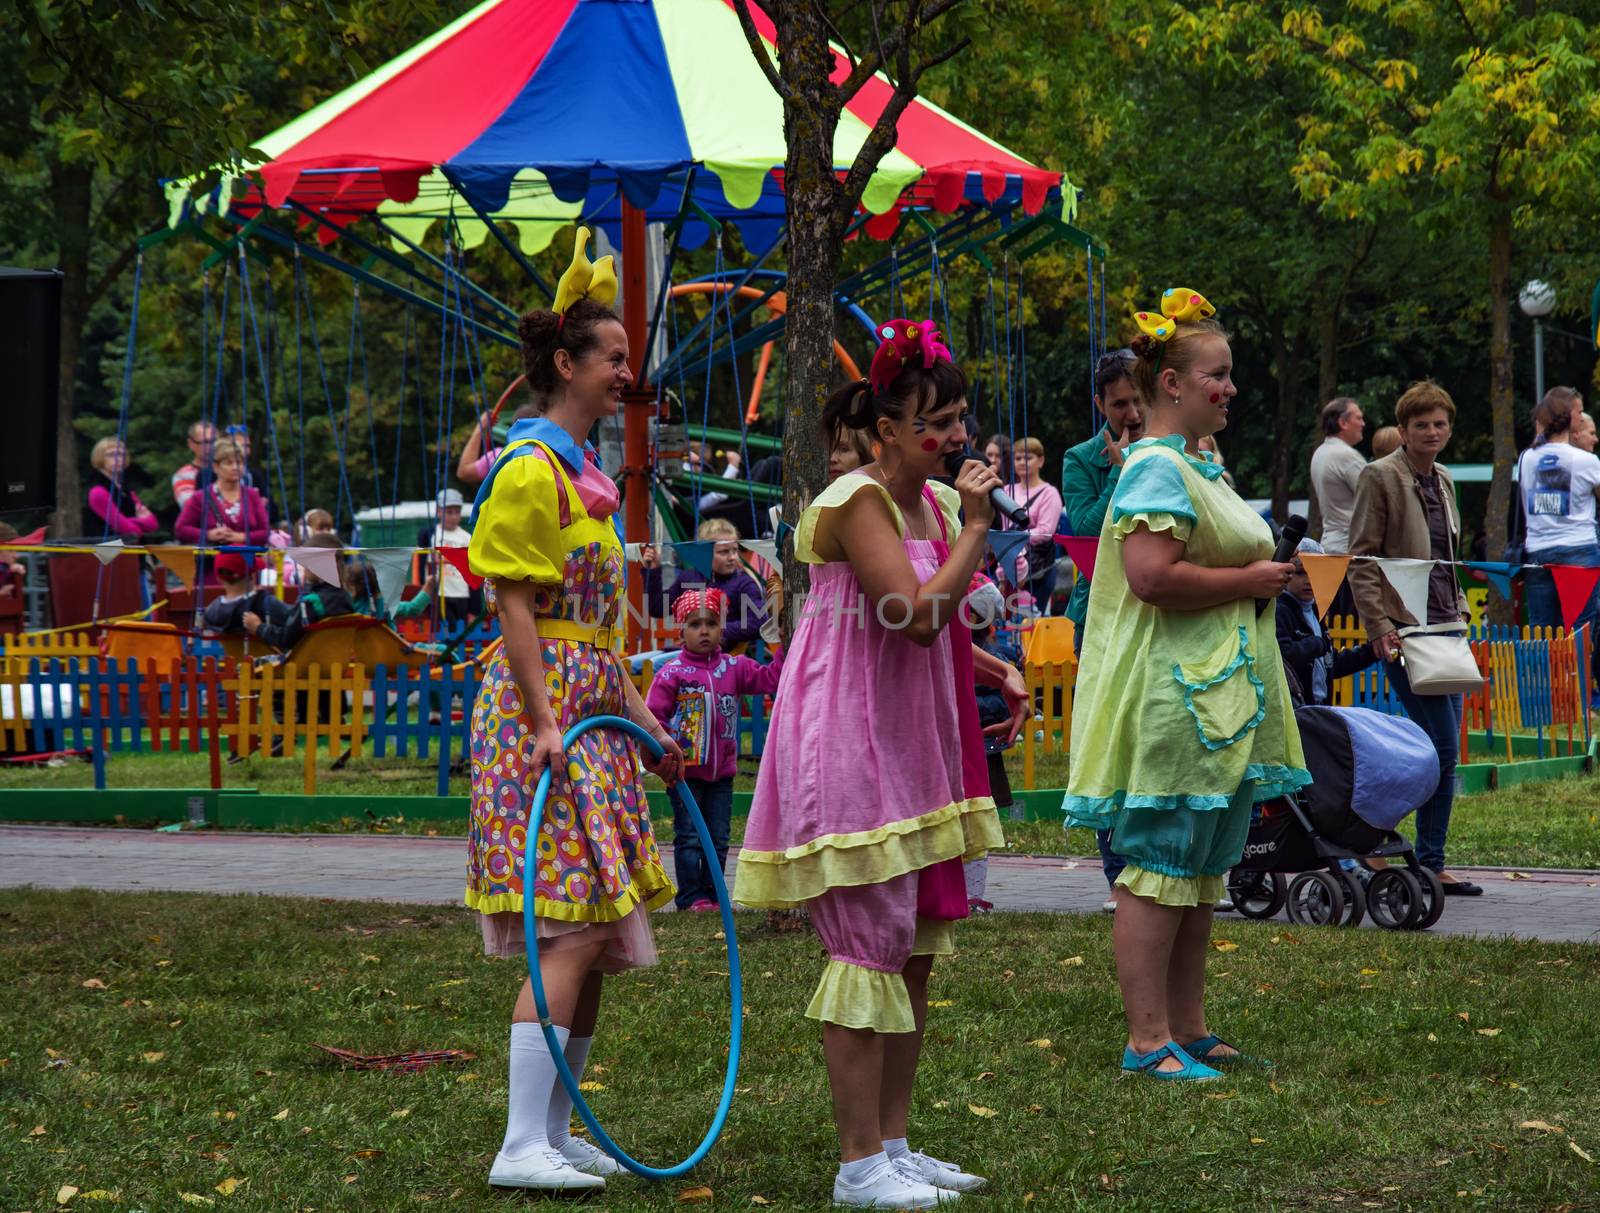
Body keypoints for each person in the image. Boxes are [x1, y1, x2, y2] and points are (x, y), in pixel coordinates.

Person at [734, 317, 1027, 1208]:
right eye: (935, 422)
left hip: (915, 735)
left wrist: (996, 667)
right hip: (850, 735)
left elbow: (938, 630)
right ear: (887, 431)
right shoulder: (855, 500)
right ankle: (857, 1163)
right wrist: (980, 529)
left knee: (914, 943)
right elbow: (907, 612)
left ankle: (895, 1142)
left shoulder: (931, 503)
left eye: (962, 418)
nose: (956, 437)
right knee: (868, 946)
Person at [464, 229, 683, 1193]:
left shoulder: (586, 483)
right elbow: (514, 602)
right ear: (567, 365)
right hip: (539, 718)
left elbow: (599, 630)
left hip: (592, 714)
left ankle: (556, 1130)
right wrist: (547, 717)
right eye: (616, 360)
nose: (627, 376)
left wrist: (644, 721)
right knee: (571, 928)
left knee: (592, 928)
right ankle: (519, 1142)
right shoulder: (526, 472)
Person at [1064, 289, 1306, 1082]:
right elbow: (1150, 577)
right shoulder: (1155, 468)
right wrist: (1251, 577)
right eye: (1218, 374)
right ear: (1171, 383)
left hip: (1217, 694)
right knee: (1160, 862)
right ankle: (1146, 1041)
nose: (1229, 388)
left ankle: (1189, 1029)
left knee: (1201, 869)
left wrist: (1262, 578)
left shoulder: (1199, 465)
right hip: (1176, 698)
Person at [1348, 380, 1481, 896]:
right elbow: (1362, 558)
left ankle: (1429, 860)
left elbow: (1450, 556)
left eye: (1440, 423)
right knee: (1441, 749)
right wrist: (1379, 627)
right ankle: (1373, 837)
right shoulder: (1379, 476)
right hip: (1405, 632)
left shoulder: (1444, 478)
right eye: (1421, 423)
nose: (1432, 431)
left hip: (1448, 626)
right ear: (1402, 430)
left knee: (1442, 752)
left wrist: (1465, 609)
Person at [1059, 348, 1146, 910]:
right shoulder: (1081, 458)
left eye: (1139, 400)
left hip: (1156, 608)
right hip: (1101, 613)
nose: (1132, 413)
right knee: (1109, 741)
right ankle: (1118, 874)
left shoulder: (1178, 447)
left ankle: (1158, 865)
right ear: (1101, 404)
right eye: (1120, 404)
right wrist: (1121, 471)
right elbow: (1087, 528)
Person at [645, 588, 785, 912]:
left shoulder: (735, 668)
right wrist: (666, 753)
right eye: (695, 624)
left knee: (719, 838)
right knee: (690, 836)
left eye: (711, 623)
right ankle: (692, 896)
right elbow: (655, 718)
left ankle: (714, 893)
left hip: (722, 774)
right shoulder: (672, 674)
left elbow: (770, 679)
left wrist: (781, 646)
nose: (704, 630)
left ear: (722, 627)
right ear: (681, 630)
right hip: (684, 775)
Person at [1515, 393, 1600, 683]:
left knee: (1542, 628)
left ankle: (1544, 697)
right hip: (1579, 550)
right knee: (1580, 628)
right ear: (1571, 421)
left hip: (1538, 551)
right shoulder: (1587, 461)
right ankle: (1580, 697)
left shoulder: (1526, 458)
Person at [1275, 538, 1378, 705]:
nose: (1309, 580)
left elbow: (1329, 663)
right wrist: (1316, 644)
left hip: (1318, 706)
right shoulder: (1280, 610)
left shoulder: (1316, 611)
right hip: (1294, 710)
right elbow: (1282, 657)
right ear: (1286, 573)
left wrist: (1371, 652)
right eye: (1301, 572)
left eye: (1315, 573)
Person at [640, 518, 767, 647]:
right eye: (724, 552)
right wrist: (653, 571)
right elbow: (657, 608)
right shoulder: (688, 578)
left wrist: (714, 630)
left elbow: (759, 623)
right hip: (687, 653)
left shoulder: (744, 583)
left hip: (722, 656)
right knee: (636, 663)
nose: (732, 557)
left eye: (734, 550)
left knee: (644, 665)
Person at [174, 439, 271, 581]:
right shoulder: (200, 497)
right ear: (215, 466)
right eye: (229, 463)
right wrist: (209, 534)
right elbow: (180, 529)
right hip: (211, 574)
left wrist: (241, 537)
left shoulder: (252, 495)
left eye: (239, 463)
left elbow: (265, 531)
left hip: (247, 573)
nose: (235, 467)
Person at [245, 533, 353, 648]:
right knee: (268, 601)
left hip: (305, 660)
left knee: (265, 602)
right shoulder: (345, 596)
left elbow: (285, 638)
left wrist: (259, 628)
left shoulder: (311, 602)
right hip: (333, 656)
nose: (304, 567)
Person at [1005, 437, 1064, 613]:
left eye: (1028, 457)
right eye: (1018, 458)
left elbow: (1046, 532)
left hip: (1038, 572)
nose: (1022, 462)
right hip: (1008, 568)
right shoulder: (1006, 490)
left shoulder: (1049, 493)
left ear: (1041, 461)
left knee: (1031, 625)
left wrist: (1014, 538)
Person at [1309, 398, 1367, 554]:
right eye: (1359, 418)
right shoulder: (1345, 455)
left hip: (1331, 543)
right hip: (1351, 547)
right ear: (1343, 422)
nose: (1363, 424)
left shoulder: (1320, 452)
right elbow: (1376, 498)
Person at [201, 553, 293, 635]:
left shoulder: (211, 610)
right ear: (252, 575)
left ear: (219, 579)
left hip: (225, 654)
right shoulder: (267, 603)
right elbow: (295, 625)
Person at [86, 437, 159, 539]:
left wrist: (127, 521)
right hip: (107, 551)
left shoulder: (126, 490)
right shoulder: (98, 491)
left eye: (121, 454)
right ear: (100, 457)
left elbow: (153, 524)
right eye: (111, 455)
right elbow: (131, 531)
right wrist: (137, 521)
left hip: (129, 549)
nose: (118, 458)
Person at [458, 404, 540, 487]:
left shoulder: (499, 456)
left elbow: (463, 472)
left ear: (513, 427)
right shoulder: (549, 456)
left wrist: (480, 428)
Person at [433, 488, 473, 626]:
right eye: (449, 512)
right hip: (440, 591)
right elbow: (428, 565)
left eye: (457, 512)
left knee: (460, 628)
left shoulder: (466, 537)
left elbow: (471, 568)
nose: (453, 516)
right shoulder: (433, 535)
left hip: (461, 591)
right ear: (438, 511)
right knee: (443, 628)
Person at [170, 420, 216, 510]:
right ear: (191, 444)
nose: (210, 446)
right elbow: (191, 507)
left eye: (213, 441)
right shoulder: (183, 475)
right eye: (205, 442)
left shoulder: (231, 470)